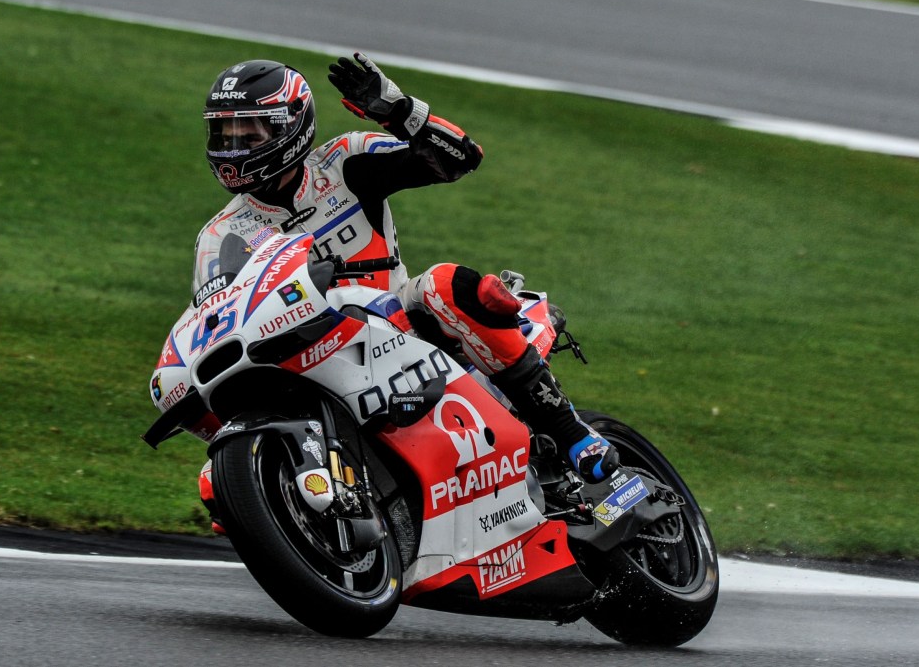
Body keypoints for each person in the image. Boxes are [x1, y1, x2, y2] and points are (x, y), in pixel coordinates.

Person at [193, 55, 617, 523]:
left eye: (249, 134)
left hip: (398, 319)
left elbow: (462, 160)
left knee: (443, 284)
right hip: (306, 349)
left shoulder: (343, 162)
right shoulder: (220, 236)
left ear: (292, 126)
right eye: (224, 133)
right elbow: (217, 325)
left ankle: (571, 431)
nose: (234, 147)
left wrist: (397, 110)